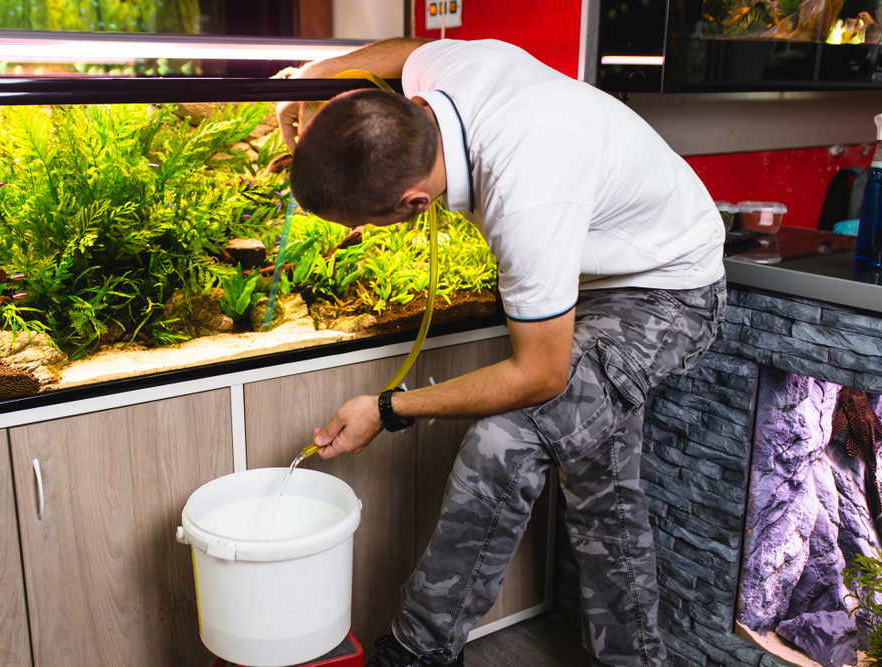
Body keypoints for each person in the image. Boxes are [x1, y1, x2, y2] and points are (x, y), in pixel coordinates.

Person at [276, 37, 726, 667]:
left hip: (668, 292)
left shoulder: (526, 193)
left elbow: (540, 375)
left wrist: (389, 408)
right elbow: (407, 50)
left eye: (366, 224)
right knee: (603, 490)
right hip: (592, 277)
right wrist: (315, 76)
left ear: (412, 204)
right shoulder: (443, 73)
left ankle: (418, 652)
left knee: (505, 445)